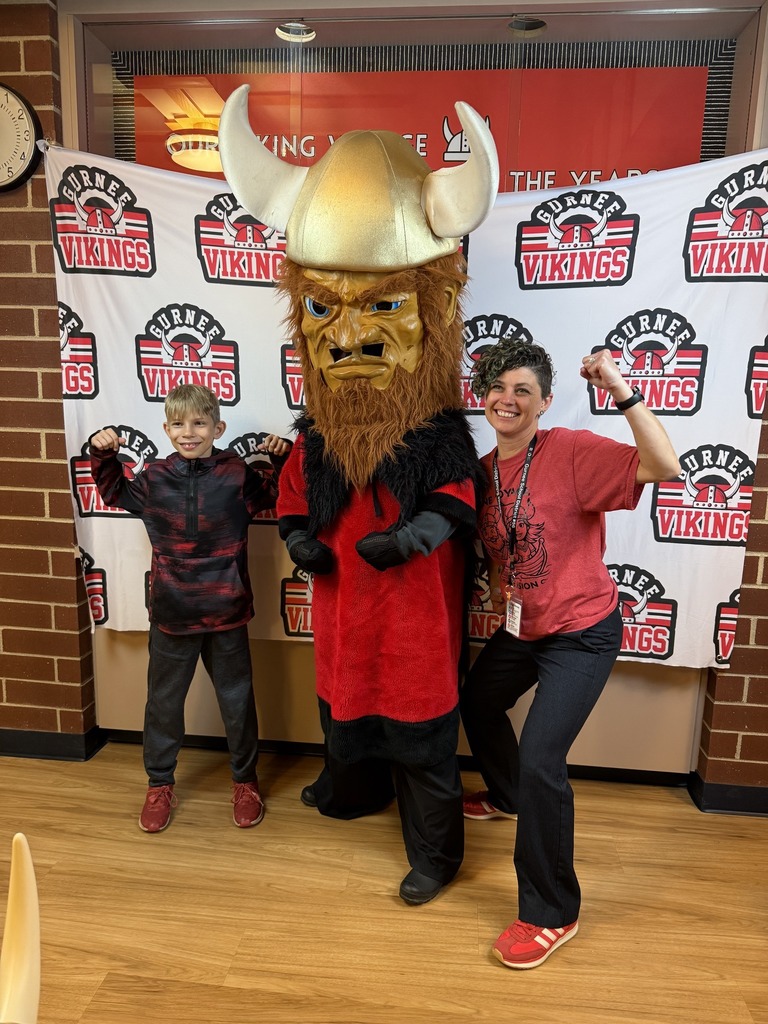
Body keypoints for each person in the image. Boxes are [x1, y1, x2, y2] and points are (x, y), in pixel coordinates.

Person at [217, 88, 498, 904]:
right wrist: (303, 538)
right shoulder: (316, 437)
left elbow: (453, 505)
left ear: (434, 314)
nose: (349, 337)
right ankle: (350, 792)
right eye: (322, 308)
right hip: (346, 619)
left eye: (383, 306)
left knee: (418, 737)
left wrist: (411, 540)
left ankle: (437, 855)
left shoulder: (444, 438)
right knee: (346, 717)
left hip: (412, 626)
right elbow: (298, 500)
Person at [460, 339, 680, 968]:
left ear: (544, 401)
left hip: (582, 631)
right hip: (522, 628)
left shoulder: (571, 451)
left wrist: (619, 385)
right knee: (476, 703)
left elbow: (664, 465)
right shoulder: (479, 471)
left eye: (523, 389)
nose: (508, 398)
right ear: (483, 396)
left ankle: (551, 912)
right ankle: (506, 797)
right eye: (498, 387)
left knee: (542, 758)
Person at [89, 383, 292, 834]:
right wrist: (101, 453)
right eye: (178, 423)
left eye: (199, 423)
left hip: (228, 614)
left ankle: (246, 782)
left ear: (217, 427)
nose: (189, 432)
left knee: (237, 704)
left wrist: (282, 456)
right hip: (172, 615)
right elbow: (113, 492)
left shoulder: (238, 474)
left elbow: (279, 494)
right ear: (165, 428)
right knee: (163, 705)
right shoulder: (154, 477)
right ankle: (159, 784)